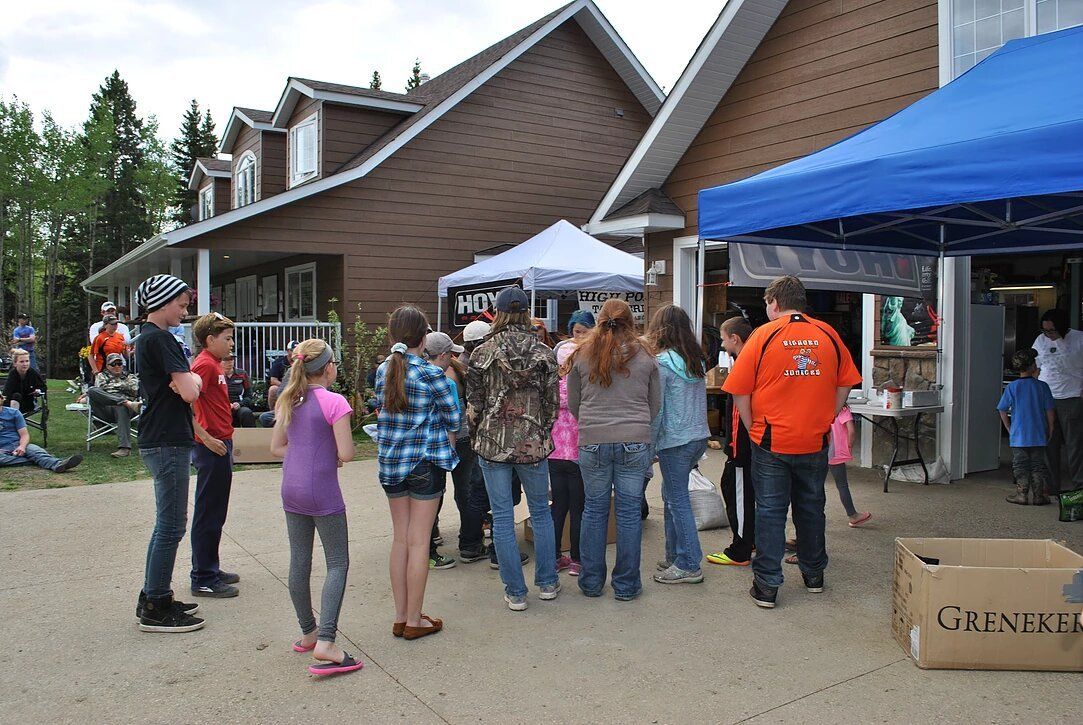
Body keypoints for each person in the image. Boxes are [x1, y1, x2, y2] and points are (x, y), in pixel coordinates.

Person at [722, 275, 861, 608]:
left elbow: (739, 388)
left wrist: (753, 423)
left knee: (770, 511)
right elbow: (847, 382)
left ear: (774, 303)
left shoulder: (764, 335)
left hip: (771, 439)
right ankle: (814, 576)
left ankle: (767, 586)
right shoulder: (827, 333)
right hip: (814, 437)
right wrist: (830, 414)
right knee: (812, 507)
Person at [270, 339, 362, 675]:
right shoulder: (334, 401)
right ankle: (326, 642)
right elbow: (348, 453)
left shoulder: (289, 398)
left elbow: (277, 446)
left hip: (291, 489)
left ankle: (308, 631)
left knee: (299, 560)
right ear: (328, 368)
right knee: (338, 562)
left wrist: (306, 455)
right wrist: (329, 456)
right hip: (322, 491)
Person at [466, 286, 560, 611]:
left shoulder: (481, 353)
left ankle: (516, 593)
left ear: (498, 312)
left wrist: (478, 433)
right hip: (532, 442)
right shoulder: (544, 353)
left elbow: (474, 405)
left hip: (493, 443)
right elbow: (552, 404)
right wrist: (540, 429)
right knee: (541, 511)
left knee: (503, 517)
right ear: (525, 313)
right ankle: (547, 583)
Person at [567, 298, 660, 602]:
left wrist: (593, 424)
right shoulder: (646, 354)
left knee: (594, 510)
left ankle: (592, 582)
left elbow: (574, 403)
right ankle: (627, 585)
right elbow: (655, 404)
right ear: (631, 322)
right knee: (629, 513)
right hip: (634, 438)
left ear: (599, 321)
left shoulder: (581, 353)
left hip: (593, 438)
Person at [375, 306, 459, 639]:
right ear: (423, 337)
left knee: (400, 539)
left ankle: (400, 616)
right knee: (419, 542)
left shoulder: (384, 370)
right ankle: (414, 619)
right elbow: (454, 419)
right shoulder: (431, 373)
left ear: (393, 335)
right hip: (425, 463)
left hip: (391, 464)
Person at [133, 274, 205, 633]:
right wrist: (194, 381)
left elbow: (185, 386)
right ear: (161, 302)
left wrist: (189, 382)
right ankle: (157, 607)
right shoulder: (162, 339)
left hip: (158, 438)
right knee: (172, 526)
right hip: (168, 440)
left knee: (166, 525)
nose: (185, 309)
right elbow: (191, 391)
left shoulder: (147, 338)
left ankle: (153, 594)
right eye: (181, 303)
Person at [647, 304, 711, 585]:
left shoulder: (662, 363)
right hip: (697, 437)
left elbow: (657, 409)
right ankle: (675, 554)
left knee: (677, 499)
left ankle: (688, 563)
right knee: (671, 495)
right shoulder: (695, 360)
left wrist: (649, 445)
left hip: (675, 440)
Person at [188, 313, 240, 599]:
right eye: (227, 338)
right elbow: (185, 405)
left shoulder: (215, 365)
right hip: (212, 447)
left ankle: (211, 567)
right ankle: (203, 578)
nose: (231, 343)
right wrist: (207, 439)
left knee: (216, 511)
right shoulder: (203, 366)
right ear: (210, 340)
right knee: (208, 512)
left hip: (223, 442)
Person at [707, 316, 756, 567]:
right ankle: (752, 539)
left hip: (743, 444)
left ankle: (740, 549)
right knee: (744, 490)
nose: (723, 345)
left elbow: (739, 407)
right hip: (751, 441)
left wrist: (735, 448)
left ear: (735, 338)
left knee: (738, 492)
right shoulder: (753, 356)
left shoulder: (746, 360)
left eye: (724, 339)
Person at [1032, 309, 1082, 494]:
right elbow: (1035, 366)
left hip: (1072, 396)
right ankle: (1051, 485)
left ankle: (1079, 486)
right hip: (1047, 396)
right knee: (1049, 442)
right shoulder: (1040, 340)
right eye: (1045, 331)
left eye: (1051, 331)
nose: (1048, 335)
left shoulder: (1079, 339)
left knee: (1074, 445)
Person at [998, 348, 1056, 506]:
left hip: (1019, 435)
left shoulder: (1012, 387)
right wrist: (1050, 428)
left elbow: (1002, 410)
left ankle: (1021, 494)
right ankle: (1039, 496)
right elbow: (1049, 410)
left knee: (1020, 465)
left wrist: (1009, 428)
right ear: (1031, 366)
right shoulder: (1042, 386)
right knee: (1038, 465)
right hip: (1038, 434)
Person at [549, 340, 584, 576]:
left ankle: (553, 556)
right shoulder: (581, 386)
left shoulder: (550, 386)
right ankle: (577, 559)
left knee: (558, 507)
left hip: (554, 454)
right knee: (579, 508)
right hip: (578, 454)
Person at [0, 389, 81, 473]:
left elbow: (24, 435)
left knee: (34, 450)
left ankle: (58, 465)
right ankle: (34, 460)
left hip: (17, 444)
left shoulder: (14, 413)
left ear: (2, 399)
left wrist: (22, 446)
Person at [89, 352, 141, 457]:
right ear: (107, 366)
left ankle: (124, 448)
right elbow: (100, 390)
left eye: (119, 364)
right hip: (105, 410)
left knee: (121, 407)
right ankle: (126, 402)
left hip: (126, 412)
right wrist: (124, 390)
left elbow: (134, 389)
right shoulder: (101, 376)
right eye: (113, 364)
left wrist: (111, 387)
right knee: (92, 390)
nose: (117, 366)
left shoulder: (130, 376)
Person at [3, 349, 46, 413]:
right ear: (15, 363)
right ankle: (14, 418)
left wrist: (38, 390)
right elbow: (6, 394)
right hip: (12, 404)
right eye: (21, 361)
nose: (25, 364)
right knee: (16, 395)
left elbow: (43, 387)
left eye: (27, 361)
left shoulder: (32, 372)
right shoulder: (13, 374)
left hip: (28, 403)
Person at [221, 355, 256, 428]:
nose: (229, 362)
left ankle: (252, 436)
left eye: (231, 360)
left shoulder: (242, 374)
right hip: (221, 406)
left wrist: (240, 404)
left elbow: (249, 395)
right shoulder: (216, 374)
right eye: (226, 360)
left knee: (246, 413)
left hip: (238, 405)